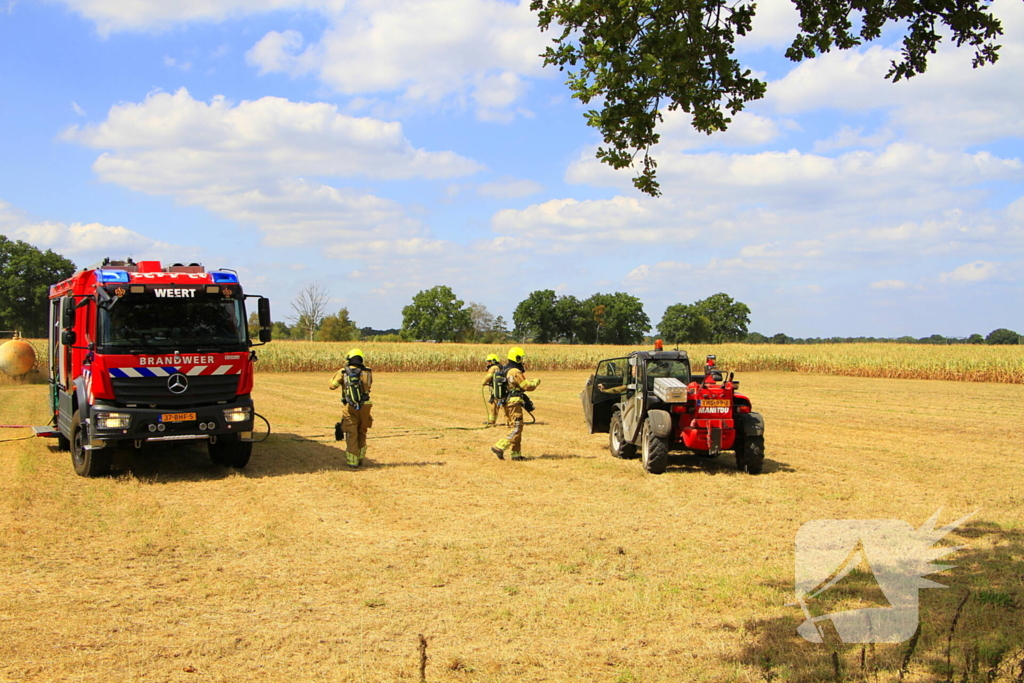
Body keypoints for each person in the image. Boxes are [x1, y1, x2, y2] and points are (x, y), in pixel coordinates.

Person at [490, 346, 540, 461]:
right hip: (514, 403)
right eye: (521, 358)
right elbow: (527, 386)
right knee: (517, 428)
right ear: (516, 358)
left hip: (506, 403)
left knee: (513, 427)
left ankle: (516, 455)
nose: (522, 361)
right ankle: (500, 446)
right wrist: (536, 382)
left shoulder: (505, 369)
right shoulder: (515, 371)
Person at [329, 348, 374, 467]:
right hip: (365, 405)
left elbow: (332, 385)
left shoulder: (343, 372)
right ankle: (360, 458)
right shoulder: (368, 371)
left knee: (351, 433)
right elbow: (369, 385)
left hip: (349, 406)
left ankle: (352, 462)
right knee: (362, 432)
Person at [482, 353, 501, 426]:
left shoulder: (493, 368)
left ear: (493, 361)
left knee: (494, 405)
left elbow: (488, 376)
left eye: (489, 361)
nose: (488, 363)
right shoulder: (500, 367)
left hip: (497, 389)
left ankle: (491, 421)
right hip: (500, 389)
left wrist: (483, 382)